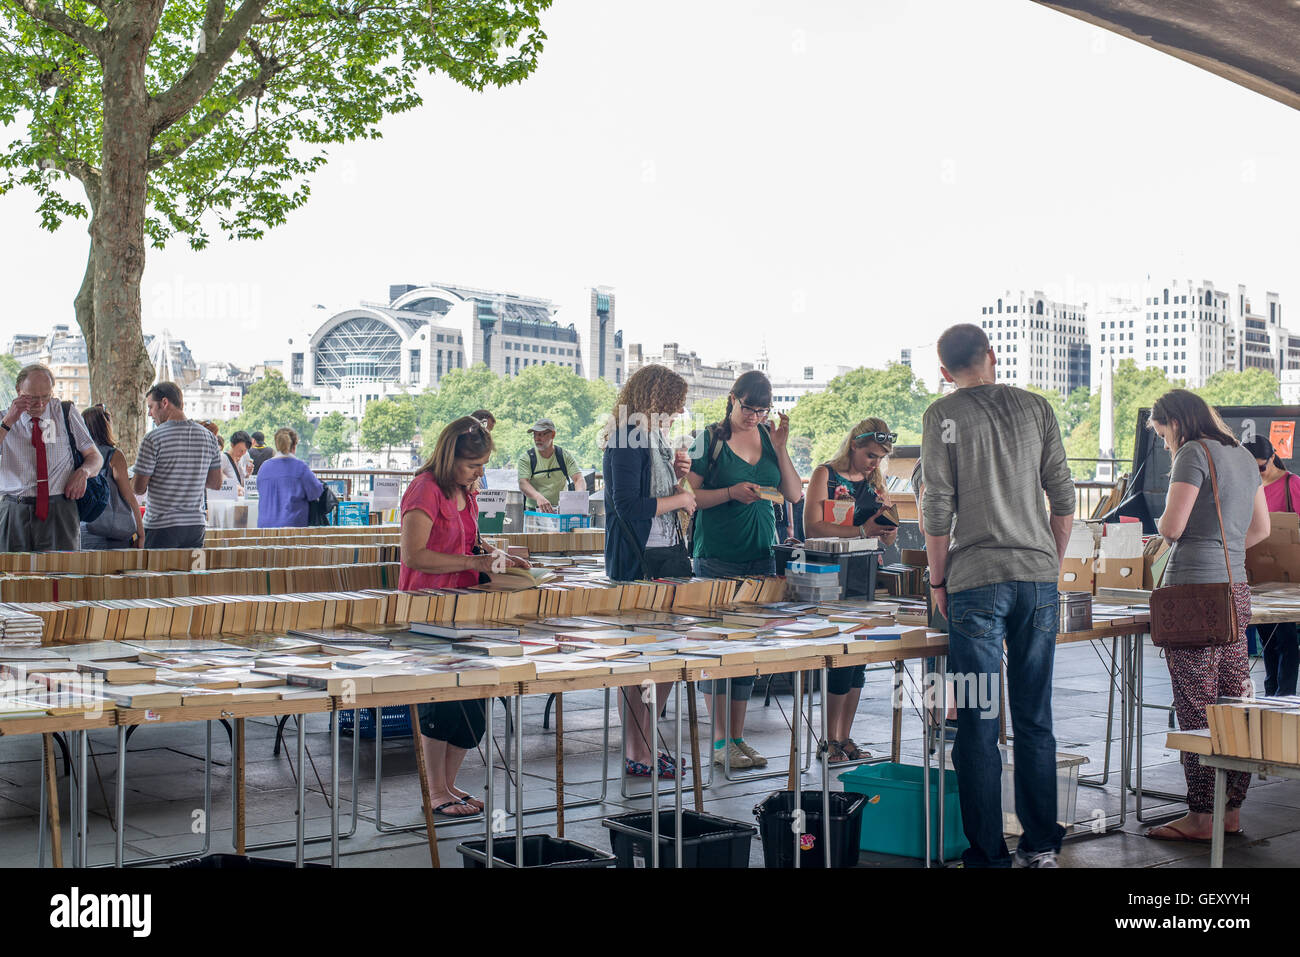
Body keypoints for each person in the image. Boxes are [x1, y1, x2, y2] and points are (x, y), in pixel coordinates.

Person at [921, 323, 1075, 868]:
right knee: (1035, 717)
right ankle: (1040, 846)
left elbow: (936, 506)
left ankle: (988, 855)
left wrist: (938, 581)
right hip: (1036, 579)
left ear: (945, 372)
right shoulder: (1037, 408)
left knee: (978, 723)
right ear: (993, 354)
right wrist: (1049, 561)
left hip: (975, 584)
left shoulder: (943, 416)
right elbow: (1063, 493)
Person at [1144, 391, 1270, 843]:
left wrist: (1165, 529)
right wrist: (1226, 550)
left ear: (1176, 422)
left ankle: (1201, 815)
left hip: (1193, 594)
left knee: (1197, 708)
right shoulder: (1238, 452)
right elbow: (1263, 529)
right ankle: (1230, 810)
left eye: (1162, 434)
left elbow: (1172, 527)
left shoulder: (1193, 452)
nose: (1163, 445)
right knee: (1233, 704)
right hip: (1235, 590)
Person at [400, 416, 528, 816]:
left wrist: (502, 559)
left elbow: (471, 541)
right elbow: (414, 555)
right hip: (428, 612)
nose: (479, 473)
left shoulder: (466, 492)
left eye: (482, 465)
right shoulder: (424, 490)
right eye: (473, 466)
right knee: (441, 703)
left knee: (472, 703)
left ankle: (449, 785)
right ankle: (434, 790)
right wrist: (477, 560)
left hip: (469, 609)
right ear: (450, 456)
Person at [687, 369, 803, 770]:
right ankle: (719, 741)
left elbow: (793, 493)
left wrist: (782, 447)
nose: (754, 416)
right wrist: (730, 493)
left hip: (761, 555)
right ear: (732, 399)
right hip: (716, 556)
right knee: (718, 649)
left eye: (762, 409)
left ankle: (737, 737)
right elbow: (689, 498)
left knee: (748, 652)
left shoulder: (771, 438)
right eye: (748, 407)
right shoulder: (710, 439)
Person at [602, 365, 697, 777]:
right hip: (638, 559)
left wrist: (675, 477)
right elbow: (627, 506)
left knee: (666, 657)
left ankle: (645, 745)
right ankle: (637, 751)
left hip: (667, 553)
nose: (676, 414)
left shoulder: (652, 438)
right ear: (652, 401)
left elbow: (649, 492)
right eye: (670, 406)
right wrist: (678, 500)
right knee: (641, 660)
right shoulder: (626, 438)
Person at [802, 418, 902, 762]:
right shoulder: (825, 474)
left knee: (859, 659)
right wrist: (863, 532)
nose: (874, 462)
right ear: (853, 446)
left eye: (880, 457)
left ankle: (845, 736)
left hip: (866, 571)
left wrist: (886, 532)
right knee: (840, 657)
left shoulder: (875, 481)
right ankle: (828, 739)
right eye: (870, 454)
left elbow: (883, 529)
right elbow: (812, 526)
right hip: (832, 572)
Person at [0, 364, 103, 552]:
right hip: (14, 509)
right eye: (32, 398)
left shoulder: (65, 412)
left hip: (60, 508)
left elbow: (95, 457)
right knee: (11, 576)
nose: (39, 404)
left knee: (62, 576)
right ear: (18, 391)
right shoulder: (3, 419)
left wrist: (84, 472)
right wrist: (8, 422)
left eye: (45, 397)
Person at [132, 382, 223, 549]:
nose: (150, 414)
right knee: (194, 574)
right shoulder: (209, 437)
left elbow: (138, 488)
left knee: (158, 575)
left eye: (151, 407)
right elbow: (216, 483)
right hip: (196, 526)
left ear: (164, 403)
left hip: (160, 526)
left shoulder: (153, 438)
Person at [1243, 435, 1300, 696]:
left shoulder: (1292, 484)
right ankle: (1270, 690)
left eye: (1261, 467)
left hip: (1287, 576)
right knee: (1266, 637)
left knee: (1286, 637)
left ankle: (1284, 694)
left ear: (1272, 458)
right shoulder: (1250, 489)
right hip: (1259, 573)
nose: (1256, 473)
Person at [79, 405, 146, 550]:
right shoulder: (113, 455)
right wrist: (141, 533)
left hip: (84, 529)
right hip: (113, 531)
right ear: (105, 427)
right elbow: (129, 496)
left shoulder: (78, 456)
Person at [256, 428, 324, 529]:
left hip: (265, 528)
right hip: (293, 528)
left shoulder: (264, 467)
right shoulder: (300, 467)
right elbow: (316, 492)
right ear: (294, 445)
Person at [517, 417, 586, 512]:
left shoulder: (564, 456)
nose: (537, 438)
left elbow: (578, 479)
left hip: (561, 510)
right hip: (534, 511)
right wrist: (538, 497)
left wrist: (579, 498)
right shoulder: (527, 458)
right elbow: (523, 483)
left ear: (553, 435)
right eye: (535, 435)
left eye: (541, 434)